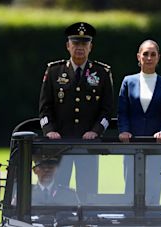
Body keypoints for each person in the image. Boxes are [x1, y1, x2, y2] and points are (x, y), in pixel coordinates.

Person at [38, 22, 114, 201]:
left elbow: (106, 110)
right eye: (76, 43)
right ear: (68, 46)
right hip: (59, 146)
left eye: (84, 44)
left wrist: (95, 131)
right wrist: (50, 131)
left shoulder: (101, 72)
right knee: (58, 193)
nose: (80, 48)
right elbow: (45, 107)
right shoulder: (54, 71)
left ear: (90, 47)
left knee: (87, 194)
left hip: (88, 146)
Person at [118, 40, 161, 204]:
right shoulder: (128, 81)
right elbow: (122, 112)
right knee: (130, 188)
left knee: (154, 188)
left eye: (153, 54)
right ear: (138, 56)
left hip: (157, 145)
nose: (149, 58)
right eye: (145, 54)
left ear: (158, 58)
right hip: (132, 143)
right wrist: (124, 130)